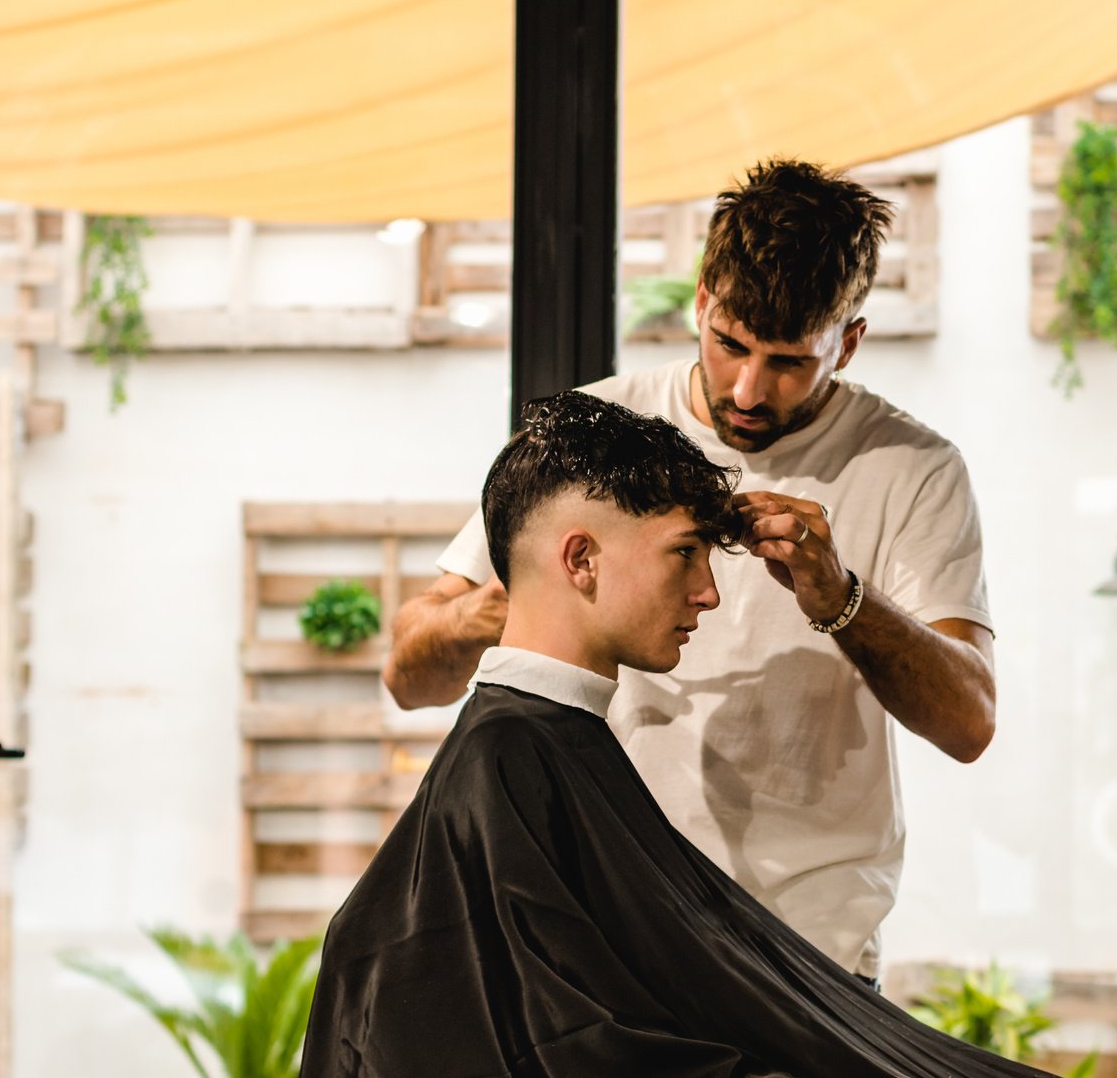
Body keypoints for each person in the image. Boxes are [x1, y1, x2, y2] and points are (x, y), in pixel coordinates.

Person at [303, 392, 1047, 1078]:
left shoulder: (543, 745)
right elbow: (577, 1047)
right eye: (684, 552)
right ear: (581, 558)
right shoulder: (512, 762)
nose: (709, 592)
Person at [384, 159, 995, 982]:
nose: (748, 389)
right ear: (701, 300)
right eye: (730, 344)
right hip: (606, 943)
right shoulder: (602, 430)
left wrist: (839, 598)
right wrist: (511, 604)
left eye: (788, 361)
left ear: (847, 342)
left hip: (807, 952)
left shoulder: (913, 467)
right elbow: (408, 675)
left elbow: (969, 724)